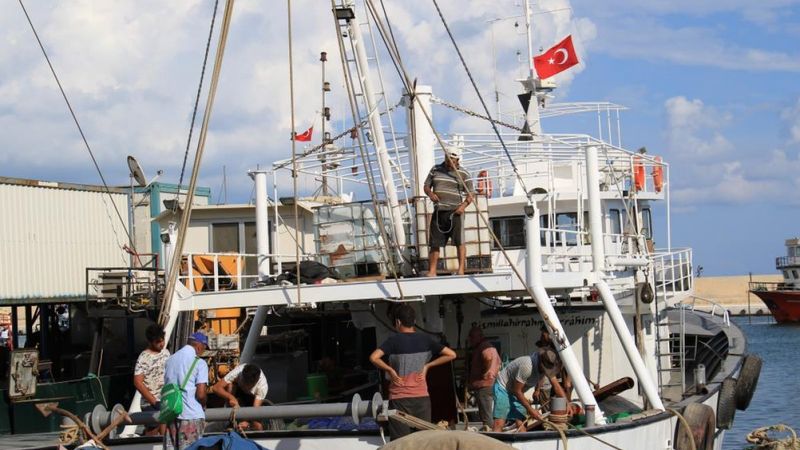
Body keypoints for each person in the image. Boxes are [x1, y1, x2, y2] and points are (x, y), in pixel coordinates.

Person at [369, 304, 456, 440]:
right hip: (422, 398)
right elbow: (452, 354)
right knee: (423, 440)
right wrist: (427, 366)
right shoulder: (426, 340)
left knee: (401, 441)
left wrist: (390, 369)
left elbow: (373, 357)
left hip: (399, 399)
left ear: (398, 322)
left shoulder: (393, 341)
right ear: (414, 321)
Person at [423, 145, 474, 276]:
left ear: (457, 160)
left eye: (451, 160)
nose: (448, 162)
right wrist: (430, 194)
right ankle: (432, 271)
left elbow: (471, 194)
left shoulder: (464, 173)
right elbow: (426, 186)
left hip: (455, 212)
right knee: (434, 243)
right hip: (439, 211)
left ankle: (461, 270)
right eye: (447, 159)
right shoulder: (435, 169)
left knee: (459, 242)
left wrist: (463, 206)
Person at [491, 348, 567, 432]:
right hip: (503, 387)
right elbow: (517, 391)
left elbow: (556, 386)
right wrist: (531, 410)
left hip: (517, 391)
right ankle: (495, 437)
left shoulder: (547, 366)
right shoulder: (527, 367)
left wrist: (567, 404)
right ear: (541, 364)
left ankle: (521, 437)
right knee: (499, 422)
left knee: (521, 422)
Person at [163, 332, 209, 450]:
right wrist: (204, 404)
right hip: (191, 415)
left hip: (172, 414)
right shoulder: (199, 363)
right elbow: (201, 394)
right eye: (204, 348)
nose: (203, 352)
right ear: (199, 346)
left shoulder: (170, 360)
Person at [133, 324, 170, 436]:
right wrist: (154, 402)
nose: (162, 344)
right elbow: (137, 382)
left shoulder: (166, 353)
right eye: (158, 342)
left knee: (165, 435)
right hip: (150, 404)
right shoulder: (143, 358)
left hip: (165, 400)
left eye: (162, 340)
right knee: (152, 434)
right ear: (150, 342)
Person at [211, 363, 268, 431]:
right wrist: (231, 397)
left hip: (252, 398)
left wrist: (248, 423)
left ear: (256, 381)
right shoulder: (238, 372)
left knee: (258, 426)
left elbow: (255, 410)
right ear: (242, 376)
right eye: (244, 382)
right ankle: (229, 416)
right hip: (237, 391)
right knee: (230, 385)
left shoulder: (262, 387)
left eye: (248, 385)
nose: (246, 386)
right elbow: (216, 388)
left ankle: (244, 426)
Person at [466, 325, 501, 429]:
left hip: (485, 385)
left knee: (486, 415)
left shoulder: (484, 346)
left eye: (472, 336)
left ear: (480, 336)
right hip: (490, 384)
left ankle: (490, 433)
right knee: (488, 413)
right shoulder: (487, 346)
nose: (470, 339)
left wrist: (483, 373)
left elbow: (488, 358)